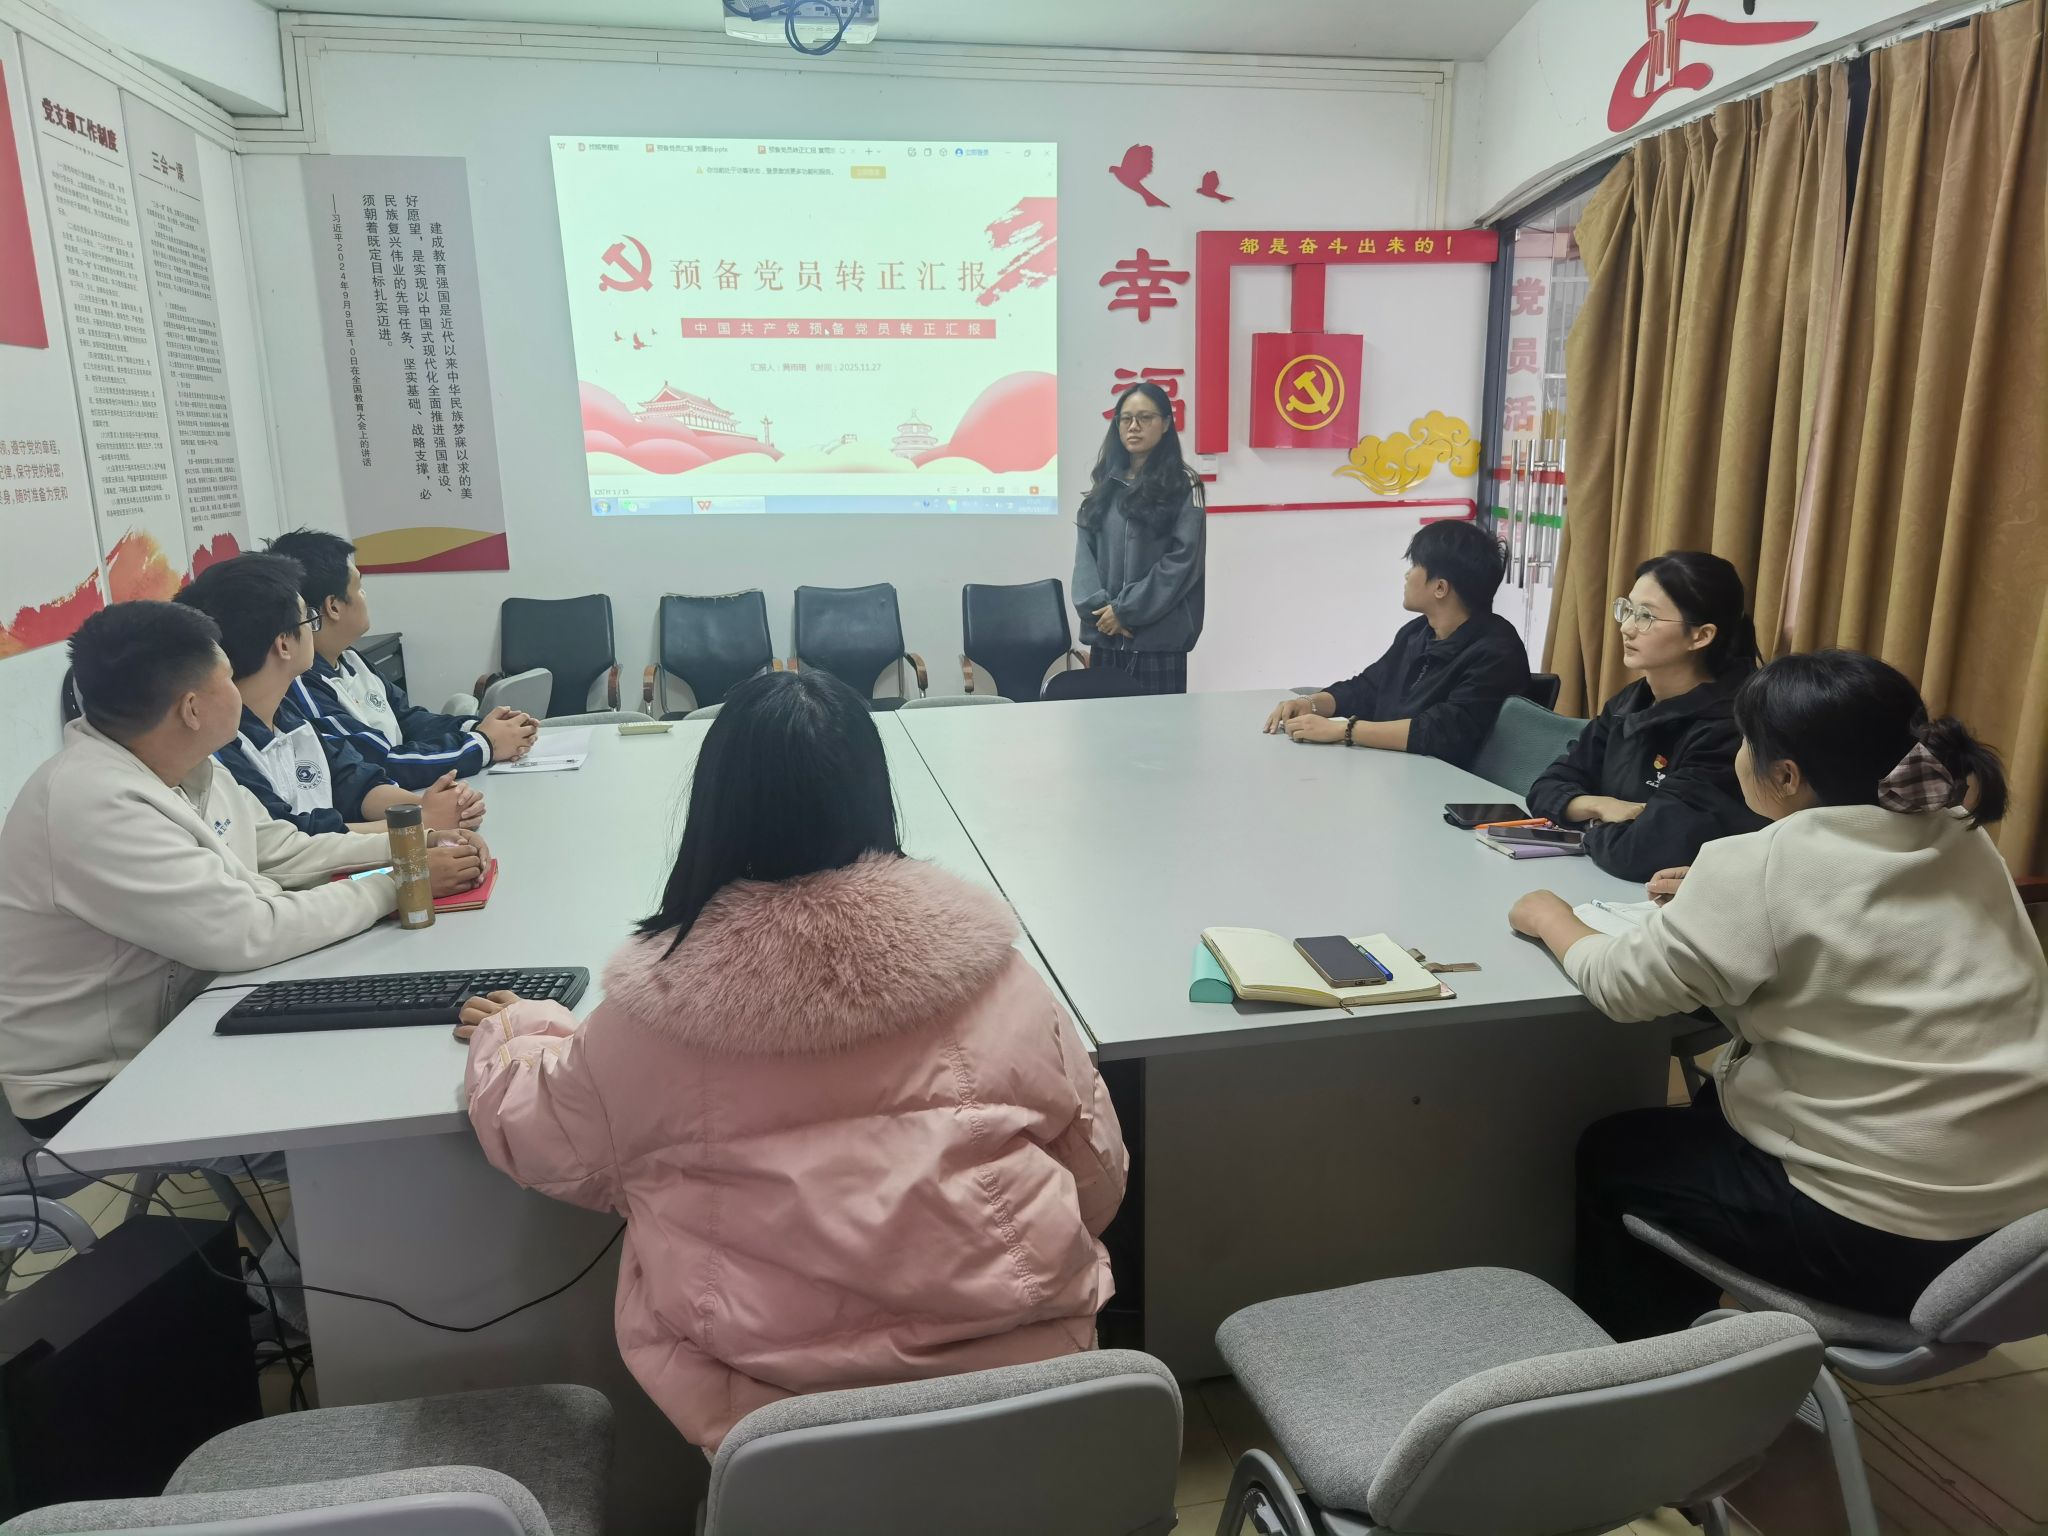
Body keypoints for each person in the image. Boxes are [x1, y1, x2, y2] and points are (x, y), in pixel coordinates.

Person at [456, 668, 1126, 1451]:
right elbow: (1098, 1173)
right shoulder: (995, 974)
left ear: (713, 809)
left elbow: (539, 1136)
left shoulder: (654, 1016)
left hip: (781, 1436)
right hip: (1036, 1414)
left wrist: (521, 1029)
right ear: (874, 794)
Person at [1508, 650, 2048, 1341]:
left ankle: (1645, 1372)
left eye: (1745, 744)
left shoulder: (1762, 863)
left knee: (1614, 1152)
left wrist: (1551, 918)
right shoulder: (1959, 833)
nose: (1739, 757)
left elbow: (1622, 986)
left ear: (1786, 776)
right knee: (1712, 1110)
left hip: (1887, 1242)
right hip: (2014, 1229)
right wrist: (1721, 902)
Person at [0, 601, 488, 1136]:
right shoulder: (94, 803)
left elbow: (283, 850)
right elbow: (248, 932)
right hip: (100, 1085)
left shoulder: (184, 764)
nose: (238, 692)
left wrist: (411, 846)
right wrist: (400, 885)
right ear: (192, 708)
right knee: (376, 1085)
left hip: (188, 1019)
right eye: (228, 678)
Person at [176, 553, 482, 838]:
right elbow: (294, 840)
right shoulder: (224, 746)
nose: (314, 628)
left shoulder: (286, 714)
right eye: (308, 618)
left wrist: (432, 808)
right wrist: (417, 823)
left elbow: (353, 781)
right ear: (284, 645)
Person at [1526, 551, 1765, 881]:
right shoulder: (1629, 702)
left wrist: (1584, 824)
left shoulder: (1731, 726)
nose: (1626, 628)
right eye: (1627, 610)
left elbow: (1641, 853)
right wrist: (1601, 807)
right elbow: (1545, 787)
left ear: (1701, 635)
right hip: (1599, 879)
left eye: (1646, 617)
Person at [268, 527, 537, 784]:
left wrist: (479, 728)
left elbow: (407, 720)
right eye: (358, 587)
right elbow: (381, 762)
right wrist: (484, 744)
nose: (364, 596)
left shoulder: (351, 659)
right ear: (333, 606)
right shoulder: (303, 684)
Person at [1263, 520, 1530, 768]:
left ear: (1440, 588)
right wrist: (1311, 704)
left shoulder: (1497, 651)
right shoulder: (1418, 632)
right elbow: (1369, 687)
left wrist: (1344, 730)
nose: (1407, 575)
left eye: (1415, 566)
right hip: (1396, 770)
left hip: (1446, 784)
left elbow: (1441, 733)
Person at [1071, 380, 1207, 694]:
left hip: (1159, 642)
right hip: (1106, 636)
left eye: (1145, 417)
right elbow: (1084, 558)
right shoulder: (1104, 486)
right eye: (1126, 419)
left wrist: (1126, 611)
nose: (1134, 426)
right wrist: (1102, 612)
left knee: (1160, 725)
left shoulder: (1185, 487)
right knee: (1105, 724)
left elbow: (1183, 562)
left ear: (1166, 424)